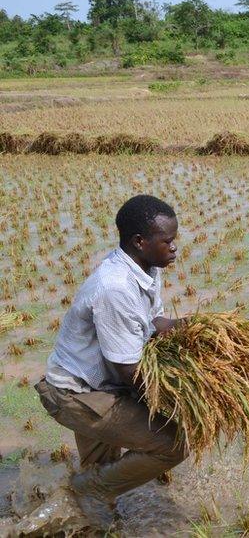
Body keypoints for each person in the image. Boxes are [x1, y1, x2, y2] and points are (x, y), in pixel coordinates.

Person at [32, 195, 187, 529]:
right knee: (174, 443)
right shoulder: (115, 288)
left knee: (99, 502)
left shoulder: (146, 267)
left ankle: (73, 520)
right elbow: (129, 372)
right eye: (167, 241)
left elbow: (152, 323)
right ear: (139, 242)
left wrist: (191, 327)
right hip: (77, 394)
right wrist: (178, 403)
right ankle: (84, 491)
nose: (174, 248)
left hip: (96, 383)